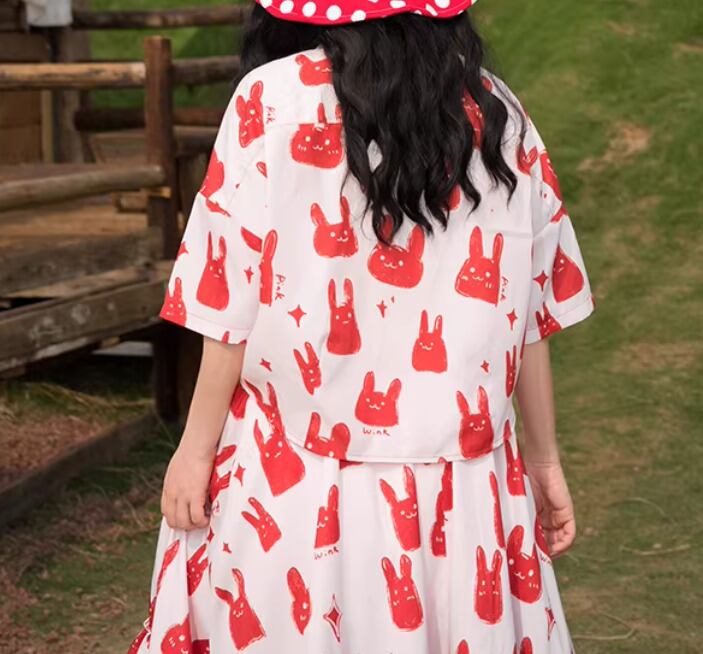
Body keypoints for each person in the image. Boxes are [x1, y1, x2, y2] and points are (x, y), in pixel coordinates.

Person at [128, 0, 596, 651]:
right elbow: (529, 313)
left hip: (294, 480)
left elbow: (227, 301)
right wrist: (543, 462)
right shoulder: (499, 115)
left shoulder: (269, 99)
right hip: (462, 493)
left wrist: (196, 450)